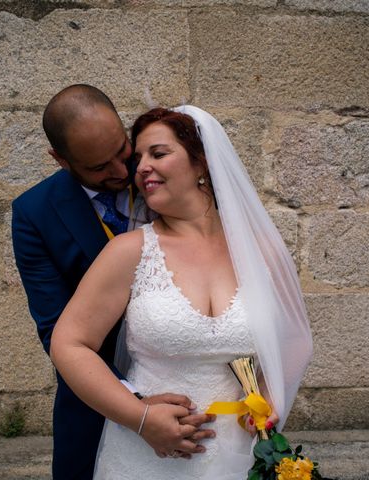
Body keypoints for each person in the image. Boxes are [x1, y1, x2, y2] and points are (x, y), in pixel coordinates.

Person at [50, 106, 313, 479]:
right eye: (138, 157)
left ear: (201, 163)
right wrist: (140, 418)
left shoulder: (260, 251)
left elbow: (294, 337)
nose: (139, 167)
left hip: (238, 451)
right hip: (145, 457)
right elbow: (69, 344)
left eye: (157, 154)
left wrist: (272, 396)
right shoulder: (129, 251)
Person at [12, 86, 215, 480]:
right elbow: (57, 330)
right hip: (96, 408)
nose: (122, 173)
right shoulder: (34, 214)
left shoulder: (166, 175)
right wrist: (137, 408)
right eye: (98, 167)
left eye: (121, 150)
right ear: (61, 160)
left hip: (201, 409)